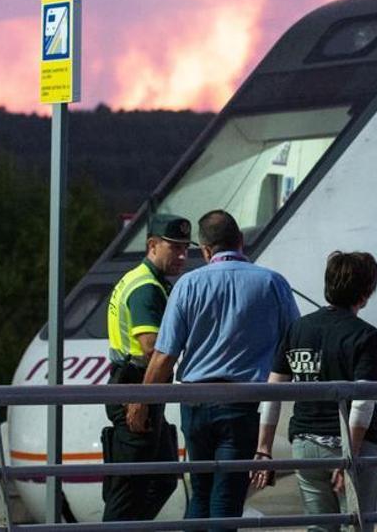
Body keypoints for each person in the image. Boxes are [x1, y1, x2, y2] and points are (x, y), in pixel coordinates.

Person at [132, 209, 300, 528]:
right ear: (241, 242)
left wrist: (141, 401)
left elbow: (164, 355)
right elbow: (295, 341)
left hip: (194, 404)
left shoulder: (187, 285)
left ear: (206, 249)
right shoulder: (272, 283)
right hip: (241, 405)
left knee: (201, 492)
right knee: (227, 497)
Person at [252, 251, 377, 532]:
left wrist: (263, 448)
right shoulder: (365, 335)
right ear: (365, 293)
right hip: (348, 445)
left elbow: (273, 392)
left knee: (320, 527)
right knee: (356, 526)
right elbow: (363, 402)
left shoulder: (298, 329)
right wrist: (350, 455)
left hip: (305, 445)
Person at [101, 214, 191, 521]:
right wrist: (142, 400)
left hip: (139, 387)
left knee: (162, 478)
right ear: (152, 245)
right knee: (128, 492)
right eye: (174, 248)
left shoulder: (143, 279)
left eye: (185, 248)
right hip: (137, 388)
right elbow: (152, 348)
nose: (182, 256)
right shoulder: (147, 288)